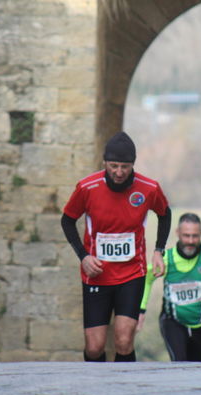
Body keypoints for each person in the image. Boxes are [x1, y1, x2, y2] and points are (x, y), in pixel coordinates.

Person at [61, 131, 172, 362]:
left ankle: (124, 390)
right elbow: (67, 220)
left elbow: (165, 214)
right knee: (94, 347)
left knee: (123, 341)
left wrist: (158, 251)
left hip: (132, 273)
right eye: (113, 166)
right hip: (97, 273)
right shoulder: (87, 187)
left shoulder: (148, 188)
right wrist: (83, 256)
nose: (119, 172)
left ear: (133, 165)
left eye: (125, 166)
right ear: (104, 163)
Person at [138, 212, 201, 362]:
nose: (190, 241)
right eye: (186, 235)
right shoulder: (167, 258)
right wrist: (141, 308)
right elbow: (146, 278)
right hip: (173, 321)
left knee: (197, 368)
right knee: (180, 363)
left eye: (195, 236)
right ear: (178, 233)